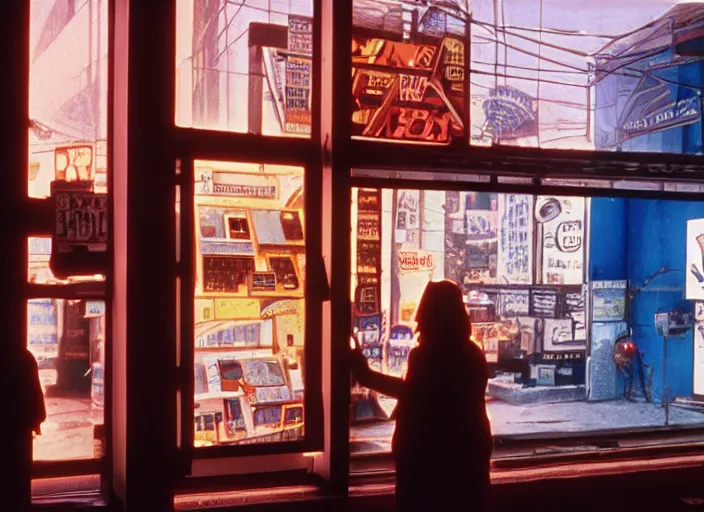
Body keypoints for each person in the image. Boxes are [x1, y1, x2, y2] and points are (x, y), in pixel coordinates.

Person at [350, 280, 493, 512]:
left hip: (428, 464)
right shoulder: (473, 354)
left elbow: (414, 394)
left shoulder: (430, 355)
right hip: (467, 462)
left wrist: (365, 375)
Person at [1, 347, 47, 510]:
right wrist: (37, 420)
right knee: (17, 482)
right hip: (20, 432)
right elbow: (36, 394)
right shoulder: (24, 357)